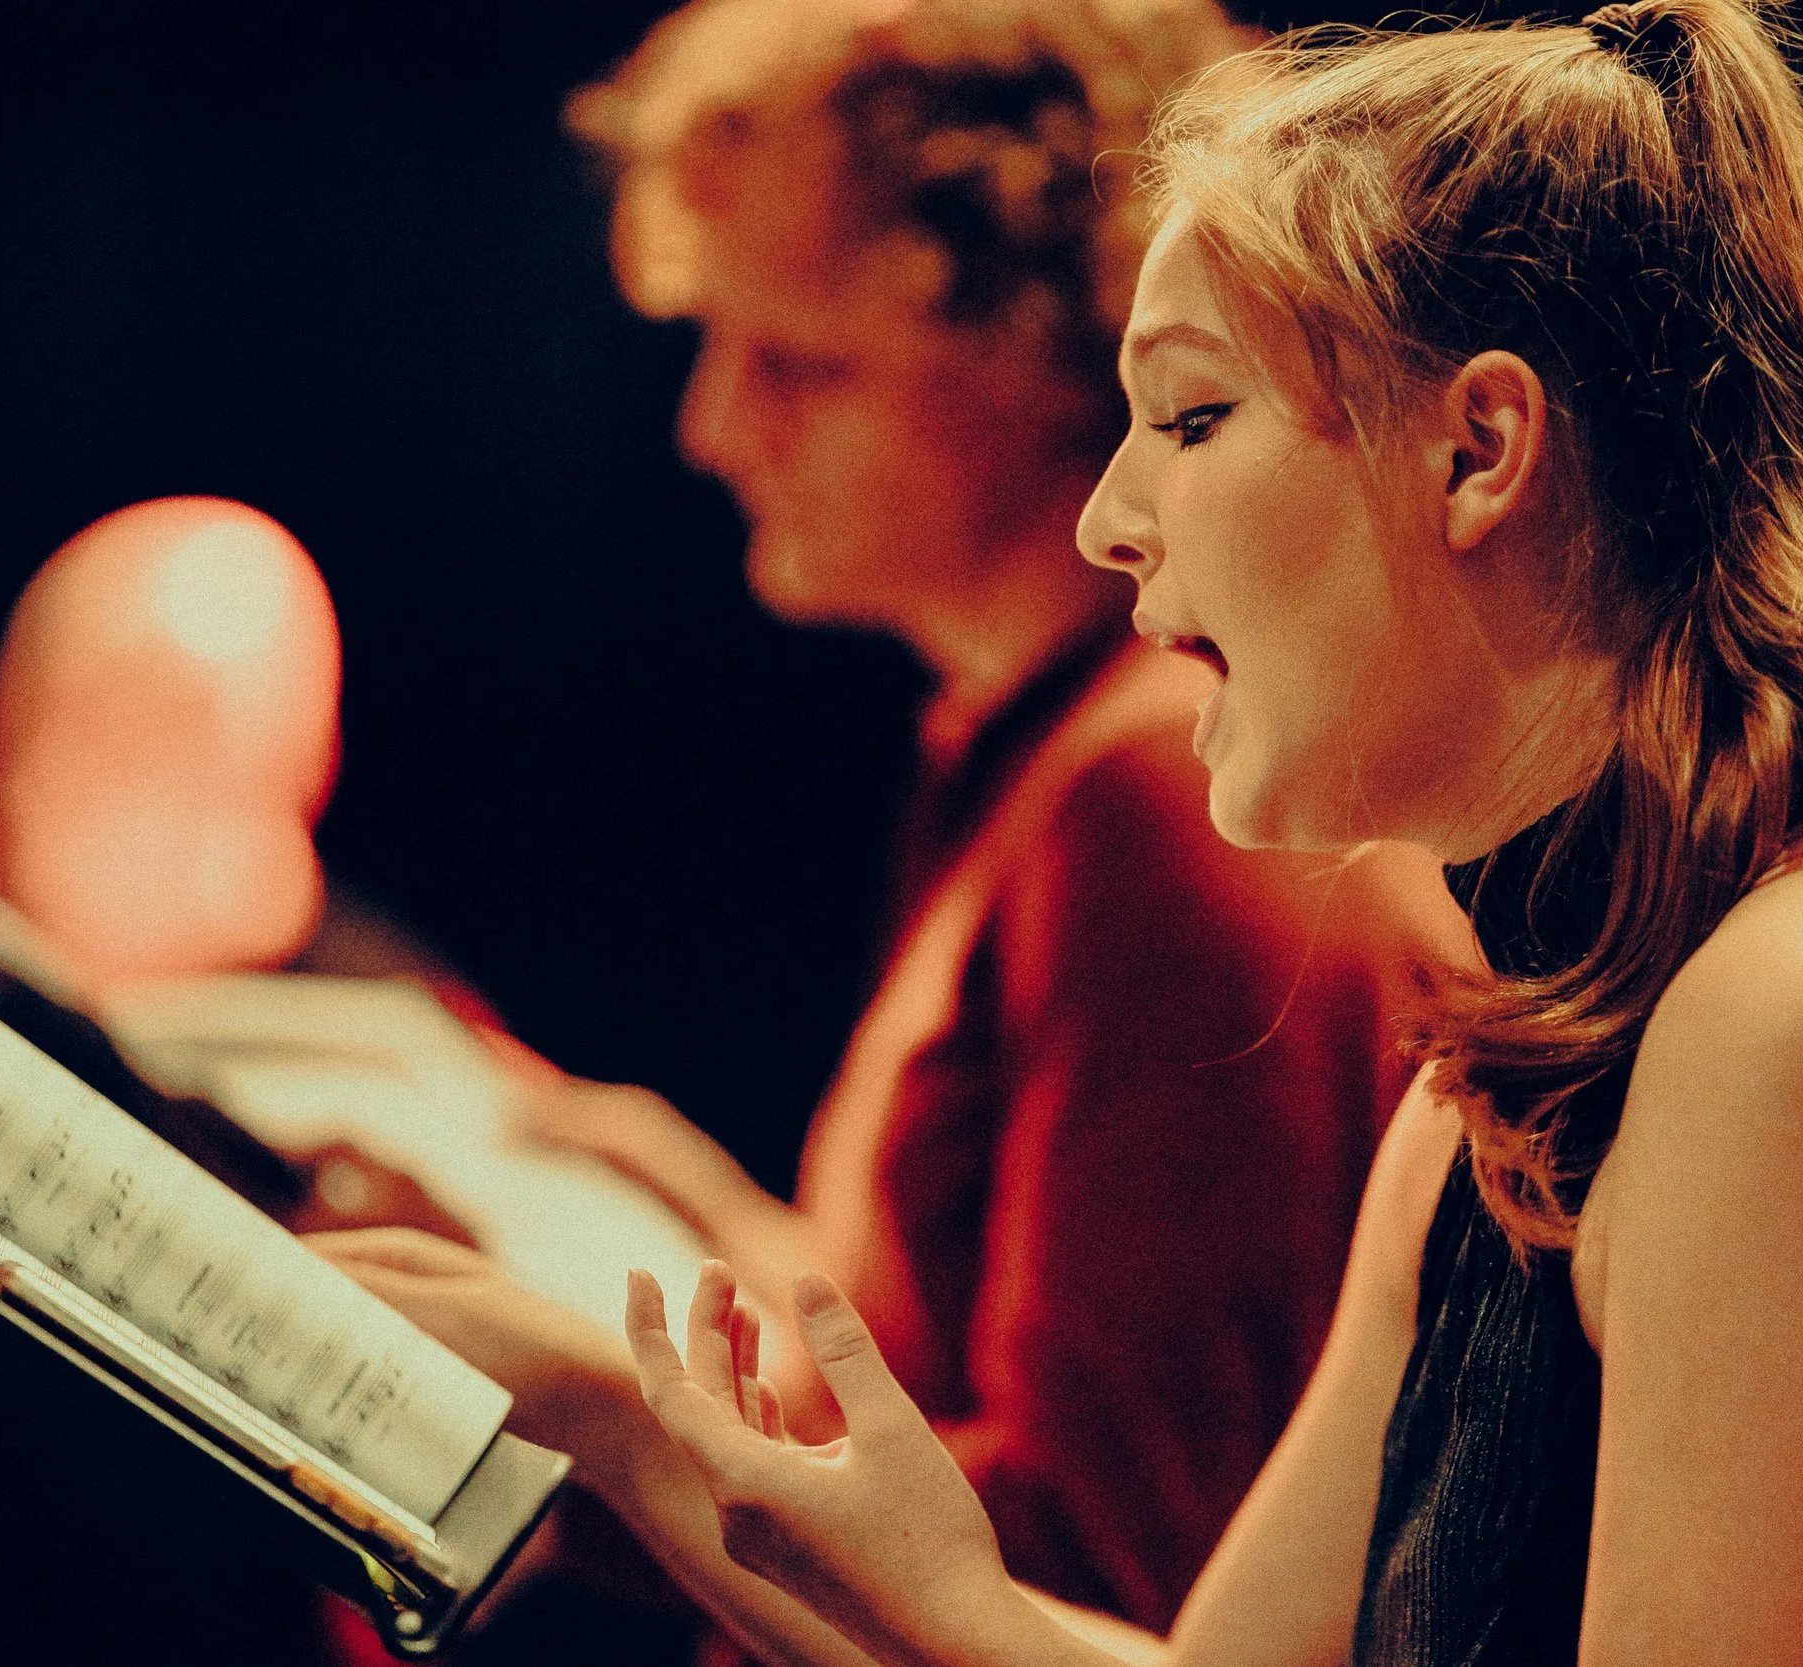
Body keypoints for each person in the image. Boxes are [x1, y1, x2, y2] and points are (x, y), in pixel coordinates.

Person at [345, 3, 1803, 1663]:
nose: (1109, 518)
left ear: (1479, 450)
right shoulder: (1505, 1098)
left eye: (1188, 416)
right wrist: (642, 1438)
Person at [264, 0, 1467, 1650]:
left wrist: (607, 1421)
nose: (709, 429)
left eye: (798, 364)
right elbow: (959, 1378)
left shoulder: (1166, 800)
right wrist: (724, 1239)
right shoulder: (1034, 758)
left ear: (1050, 351)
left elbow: (1105, 1576)